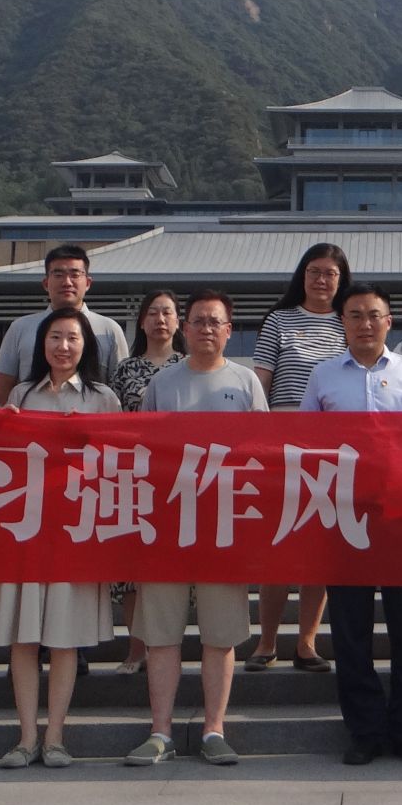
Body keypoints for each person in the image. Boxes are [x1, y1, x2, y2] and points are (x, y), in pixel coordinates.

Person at [128, 289, 270, 768]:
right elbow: (144, 451)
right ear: (184, 329)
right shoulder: (162, 383)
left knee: (220, 634)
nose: (206, 329)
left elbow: (262, 455)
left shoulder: (246, 382)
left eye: (216, 322)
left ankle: (214, 729)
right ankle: (160, 731)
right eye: (198, 321)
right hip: (168, 524)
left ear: (229, 330)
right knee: (161, 635)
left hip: (224, 524)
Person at [300, 283, 402, 763]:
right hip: (344, 515)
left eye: (373, 315)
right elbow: (306, 444)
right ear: (342, 322)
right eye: (355, 315)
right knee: (350, 628)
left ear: (389, 322)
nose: (364, 323)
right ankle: (364, 731)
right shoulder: (322, 376)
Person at [0, 308, 120, 770]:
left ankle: (55, 736)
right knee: (23, 638)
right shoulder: (21, 394)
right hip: (24, 530)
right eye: (55, 337)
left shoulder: (103, 399)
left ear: (86, 345)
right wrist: (4, 425)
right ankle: (25, 737)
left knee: (65, 638)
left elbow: (118, 462)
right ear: (42, 344)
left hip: (75, 531)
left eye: (72, 338)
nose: (63, 346)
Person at [248, 242, 351, 674]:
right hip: (283, 445)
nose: (322, 280)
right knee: (279, 547)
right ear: (302, 276)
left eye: (330, 273)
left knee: (318, 550)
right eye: (314, 272)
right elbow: (261, 381)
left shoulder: (349, 322)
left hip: (333, 448)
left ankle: (307, 642)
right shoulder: (279, 320)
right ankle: (266, 641)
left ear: (341, 280)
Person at [109, 289, 185, 674]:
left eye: (167, 312)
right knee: (132, 570)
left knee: (170, 569)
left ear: (178, 321)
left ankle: (168, 647)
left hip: (178, 479)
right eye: (153, 312)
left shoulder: (189, 366)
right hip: (134, 476)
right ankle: (136, 649)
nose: (160, 319)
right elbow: (111, 420)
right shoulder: (125, 369)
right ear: (141, 321)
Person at [0, 244, 129, 406]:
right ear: (46, 283)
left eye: (75, 275)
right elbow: (3, 390)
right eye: (58, 275)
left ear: (88, 283)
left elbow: (120, 388)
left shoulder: (109, 329)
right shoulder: (20, 328)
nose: (67, 282)